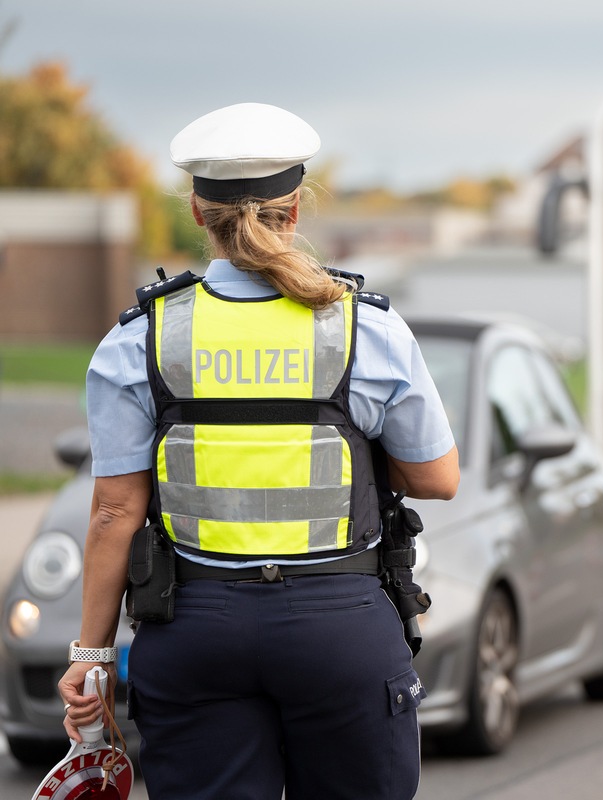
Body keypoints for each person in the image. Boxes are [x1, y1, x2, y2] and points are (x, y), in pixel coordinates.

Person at [57, 103, 459, 800]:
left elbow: (112, 514)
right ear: (294, 209)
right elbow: (438, 477)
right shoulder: (365, 329)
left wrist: (90, 657)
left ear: (196, 211)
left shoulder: (142, 338)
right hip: (340, 631)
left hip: (195, 634)